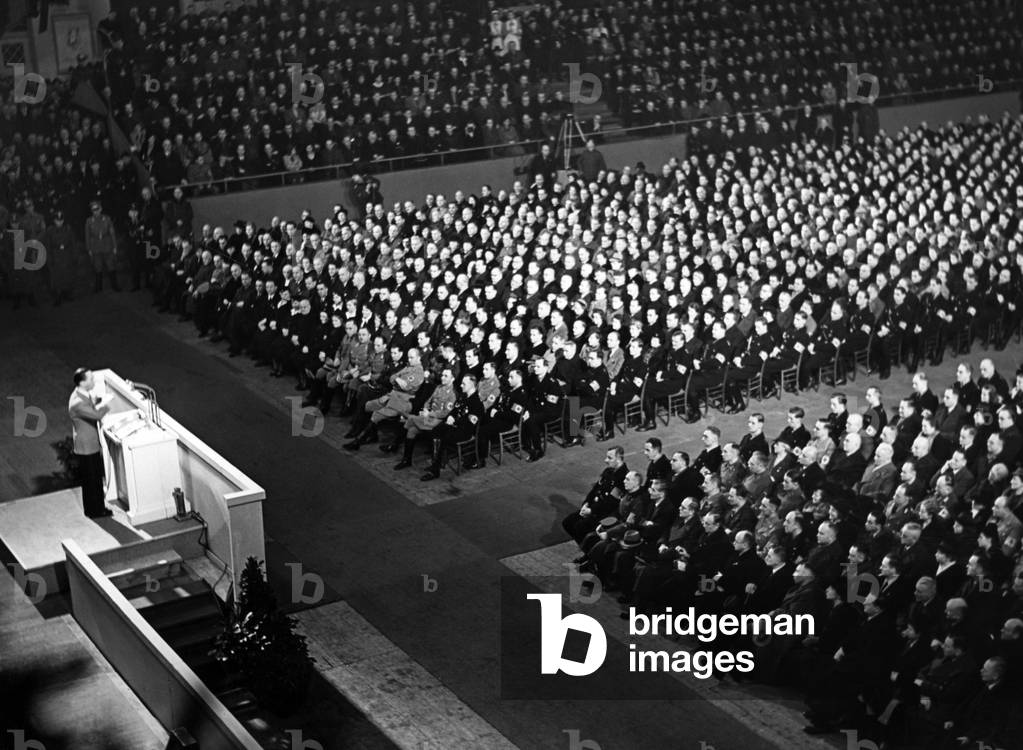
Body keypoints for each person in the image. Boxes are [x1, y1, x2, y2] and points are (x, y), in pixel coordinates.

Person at [68, 368, 114, 518]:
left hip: (89, 443)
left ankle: (96, 508)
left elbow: (92, 401)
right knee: (92, 479)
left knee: (94, 478)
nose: (93, 381)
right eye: (90, 379)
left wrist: (99, 399)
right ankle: (95, 510)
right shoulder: (78, 403)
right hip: (86, 446)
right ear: (82, 382)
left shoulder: (81, 395)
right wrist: (107, 404)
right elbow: (96, 415)